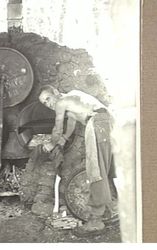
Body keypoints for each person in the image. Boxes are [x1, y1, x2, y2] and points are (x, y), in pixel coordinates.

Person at [38, 85, 116, 236]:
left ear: (55, 92)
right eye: (44, 103)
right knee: (104, 169)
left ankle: (96, 221)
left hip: (97, 123)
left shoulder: (61, 102)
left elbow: (57, 128)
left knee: (96, 170)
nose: (48, 104)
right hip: (107, 121)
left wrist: (51, 144)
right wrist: (64, 140)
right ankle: (107, 209)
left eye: (48, 99)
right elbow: (71, 124)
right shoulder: (73, 97)